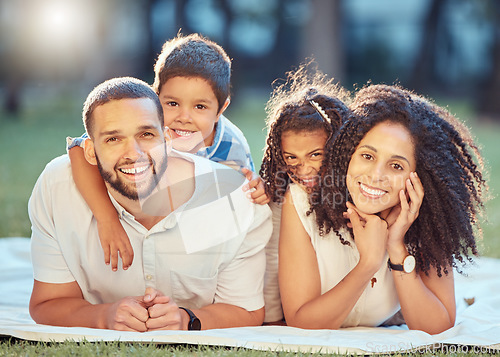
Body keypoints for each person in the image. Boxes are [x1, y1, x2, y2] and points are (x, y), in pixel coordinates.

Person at [29, 77, 273, 331]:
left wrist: (185, 319)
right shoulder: (57, 188)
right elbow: (48, 303)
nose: (133, 153)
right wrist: (104, 316)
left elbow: (245, 310)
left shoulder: (238, 201)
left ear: (167, 138)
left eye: (146, 134)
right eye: (113, 139)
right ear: (90, 151)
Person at [279, 84, 487, 334]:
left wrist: (397, 248)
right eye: (367, 156)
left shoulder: (426, 221)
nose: (376, 176)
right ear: (348, 153)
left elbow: (438, 327)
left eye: (396, 166)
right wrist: (368, 263)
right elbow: (302, 322)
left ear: (419, 177)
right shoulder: (303, 202)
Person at [66, 33, 268, 273]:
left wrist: (256, 188)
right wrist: (107, 219)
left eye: (200, 107)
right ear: (154, 96)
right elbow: (79, 150)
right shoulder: (142, 120)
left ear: (221, 109)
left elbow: (241, 196)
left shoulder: (230, 145)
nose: (184, 117)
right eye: (172, 104)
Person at [259, 64, 351, 323]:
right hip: (305, 306)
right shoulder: (290, 197)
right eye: (291, 158)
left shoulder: (363, 187)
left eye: (315, 155)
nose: (304, 169)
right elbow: (272, 267)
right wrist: (274, 320)